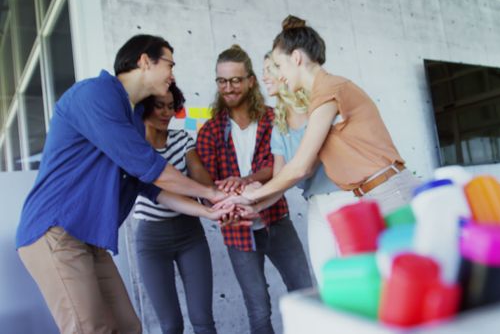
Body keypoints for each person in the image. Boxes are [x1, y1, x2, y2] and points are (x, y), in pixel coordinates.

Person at [15, 34, 234, 334]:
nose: (172, 75)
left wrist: (208, 212)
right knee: (90, 328)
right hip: (55, 230)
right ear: (145, 61)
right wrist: (211, 193)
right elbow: (150, 168)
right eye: (169, 64)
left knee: (128, 327)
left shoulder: (130, 119)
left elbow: (152, 188)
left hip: (88, 238)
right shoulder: (94, 95)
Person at [223, 15, 420, 226]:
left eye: (279, 66)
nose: (280, 76)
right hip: (372, 195)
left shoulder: (329, 91)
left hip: (388, 192)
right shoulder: (321, 95)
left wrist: (252, 195)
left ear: (296, 58)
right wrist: (256, 203)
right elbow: (295, 171)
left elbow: (300, 166)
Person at [196, 44, 312, 334]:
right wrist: (226, 194)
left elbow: (276, 166)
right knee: (259, 308)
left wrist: (244, 180)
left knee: (304, 291)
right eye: (222, 81)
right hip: (236, 229)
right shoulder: (209, 130)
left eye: (235, 80)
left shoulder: (274, 117)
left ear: (250, 80)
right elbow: (207, 184)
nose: (228, 87)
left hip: (277, 219)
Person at [133, 83, 222, 334]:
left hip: (189, 234)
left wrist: (220, 200)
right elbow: (161, 191)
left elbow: (200, 178)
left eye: (171, 107)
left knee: (202, 319)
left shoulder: (182, 139)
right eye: (159, 106)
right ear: (145, 109)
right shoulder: (135, 147)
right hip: (152, 241)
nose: (166, 113)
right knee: (171, 325)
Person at [261, 53, 357, 283]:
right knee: (326, 282)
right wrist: (249, 206)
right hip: (316, 204)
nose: (263, 77)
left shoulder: (319, 109)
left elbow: (304, 168)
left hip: (345, 198)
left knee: (355, 278)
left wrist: (252, 196)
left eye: (268, 69)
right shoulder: (279, 126)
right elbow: (279, 181)